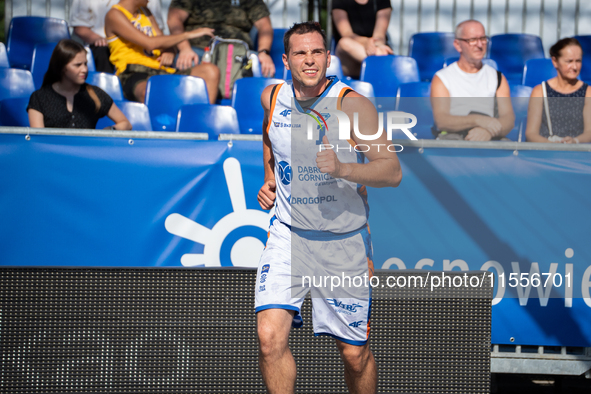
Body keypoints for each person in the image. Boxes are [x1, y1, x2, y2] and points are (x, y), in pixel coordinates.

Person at [255, 22, 402, 394]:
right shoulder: (272, 97)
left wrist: (343, 168)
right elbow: (269, 136)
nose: (310, 61)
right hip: (287, 235)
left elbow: (392, 171)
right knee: (269, 337)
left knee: (353, 355)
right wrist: (270, 178)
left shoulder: (351, 105)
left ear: (328, 57)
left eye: (317, 52)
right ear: (286, 60)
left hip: (341, 242)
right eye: (301, 53)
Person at [104, 0, 220, 103]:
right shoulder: (114, 14)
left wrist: (170, 51)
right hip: (133, 72)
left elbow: (162, 41)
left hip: (161, 70)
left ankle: (197, 122)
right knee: (148, 93)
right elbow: (150, 43)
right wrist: (188, 34)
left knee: (210, 71)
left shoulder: (145, 11)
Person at [430, 20, 515, 141]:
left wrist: (488, 132)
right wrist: (478, 120)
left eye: (483, 38)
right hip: (453, 142)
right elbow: (442, 121)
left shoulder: (497, 77)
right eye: (472, 40)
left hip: (489, 140)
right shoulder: (442, 78)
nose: (480, 45)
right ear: (458, 45)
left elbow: (508, 119)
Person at [28, 39, 131, 130]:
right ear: (62, 67)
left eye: (85, 64)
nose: (84, 70)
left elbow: (126, 124)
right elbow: (38, 138)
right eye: (78, 65)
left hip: (87, 151)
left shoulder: (95, 93)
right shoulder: (39, 98)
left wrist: (111, 130)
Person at [167, 0, 276, 77]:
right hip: (199, 51)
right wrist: (184, 48)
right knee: (185, 64)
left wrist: (264, 52)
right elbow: (174, 19)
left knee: (264, 68)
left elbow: (264, 26)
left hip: (239, 53)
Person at [69, 0, 165, 73]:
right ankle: (106, 94)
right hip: (103, 47)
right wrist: (98, 39)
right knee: (103, 52)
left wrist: (169, 51)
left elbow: (158, 33)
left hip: (142, 50)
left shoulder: (148, 3)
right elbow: (80, 27)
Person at [525, 37, 591, 143]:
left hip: (576, 154)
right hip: (545, 154)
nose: (574, 66)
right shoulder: (540, 91)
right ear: (555, 61)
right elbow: (531, 133)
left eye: (578, 61)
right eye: (569, 61)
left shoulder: (588, 92)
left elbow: (589, 132)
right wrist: (551, 145)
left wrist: (575, 141)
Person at [332, 0, 394, 78]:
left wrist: (375, 46)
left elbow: (379, 36)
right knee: (344, 43)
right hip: (348, 56)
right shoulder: (339, 2)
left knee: (381, 50)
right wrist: (366, 42)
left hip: (373, 49)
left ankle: (379, 61)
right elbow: (347, 34)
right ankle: (384, 65)